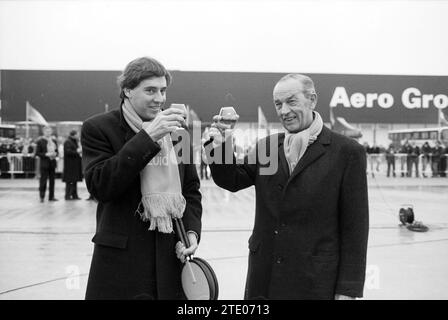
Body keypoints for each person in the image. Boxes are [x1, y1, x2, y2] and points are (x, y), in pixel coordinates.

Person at [205, 74, 369, 300]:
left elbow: (355, 228)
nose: (283, 111)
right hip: (265, 278)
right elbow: (232, 180)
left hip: (315, 282)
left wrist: (348, 289)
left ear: (312, 100)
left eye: (291, 101)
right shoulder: (268, 146)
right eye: (278, 104)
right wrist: (221, 144)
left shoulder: (347, 152)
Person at [81, 56, 202, 299]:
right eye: (150, 90)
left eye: (163, 90)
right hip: (121, 264)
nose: (159, 99)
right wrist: (147, 138)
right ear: (127, 90)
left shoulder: (177, 129)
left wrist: (191, 231)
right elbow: (100, 186)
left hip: (169, 259)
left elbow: (190, 190)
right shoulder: (99, 128)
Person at [35, 126, 59, 202]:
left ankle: (51, 197)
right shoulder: (40, 141)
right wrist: (46, 154)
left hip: (52, 163)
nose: (48, 133)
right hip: (44, 164)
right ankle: (42, 196)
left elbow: (57, 151)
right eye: (47, 131)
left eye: (49, 131)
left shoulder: (54, 141)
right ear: (44, 132)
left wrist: (55, 154)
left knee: (52, 181)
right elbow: (37, 153)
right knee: (43, 181)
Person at [63, 130, 83, 200]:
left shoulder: (75, 142)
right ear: (73, 135)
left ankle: (75, 195)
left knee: (75, 180)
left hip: (75, 165)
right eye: (77, 134)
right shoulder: (68, 142)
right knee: (69, 181)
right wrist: (77, 151)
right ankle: (68, 195)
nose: (78, 136)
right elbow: (68, 151)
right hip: (70, 166)